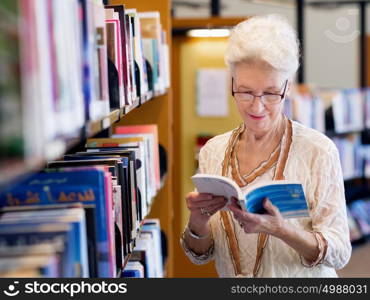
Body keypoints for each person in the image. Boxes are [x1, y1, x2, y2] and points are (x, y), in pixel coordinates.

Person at [180, 14, 351, 277]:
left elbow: (340, 252)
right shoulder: (213, 151)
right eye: (246, 92)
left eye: (271, 93)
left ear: (288, 88)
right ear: (232, 84)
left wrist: (281, 230)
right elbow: (201, 255)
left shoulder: (318, 151)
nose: (257, 106)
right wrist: (198, 221)